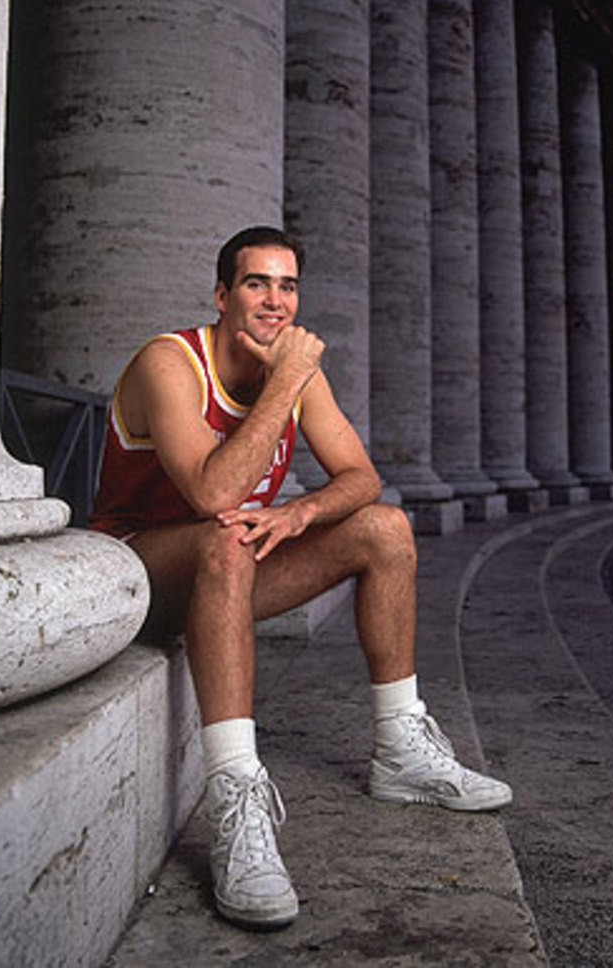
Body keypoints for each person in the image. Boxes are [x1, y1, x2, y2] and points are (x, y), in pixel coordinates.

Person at [90, 225, 512, 931]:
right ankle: (237, 800)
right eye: (257, 283)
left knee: (386, 528)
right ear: (222, 295)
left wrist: (299, 513)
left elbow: (363, 478)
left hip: (228, 565)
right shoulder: (170, 363)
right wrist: (285, 381)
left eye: (288, 286)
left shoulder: (300, 373)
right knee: (226, 538)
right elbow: (215, 496)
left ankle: (401, 747)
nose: (276, 301)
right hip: (138, 572)